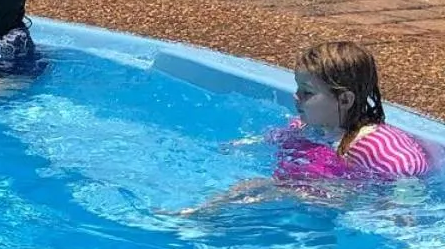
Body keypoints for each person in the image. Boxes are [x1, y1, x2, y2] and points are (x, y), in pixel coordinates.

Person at [183, 40, 434, 213]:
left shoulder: (376, 146)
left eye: (308, 92)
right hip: (301, 200)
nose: (296, 97)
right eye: (297, 88)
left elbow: (409, 183)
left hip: (339, 209)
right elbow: (274, 138)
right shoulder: (307, 126)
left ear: (345, 99)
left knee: (260, 190)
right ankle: (195, 217)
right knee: (250, 189)